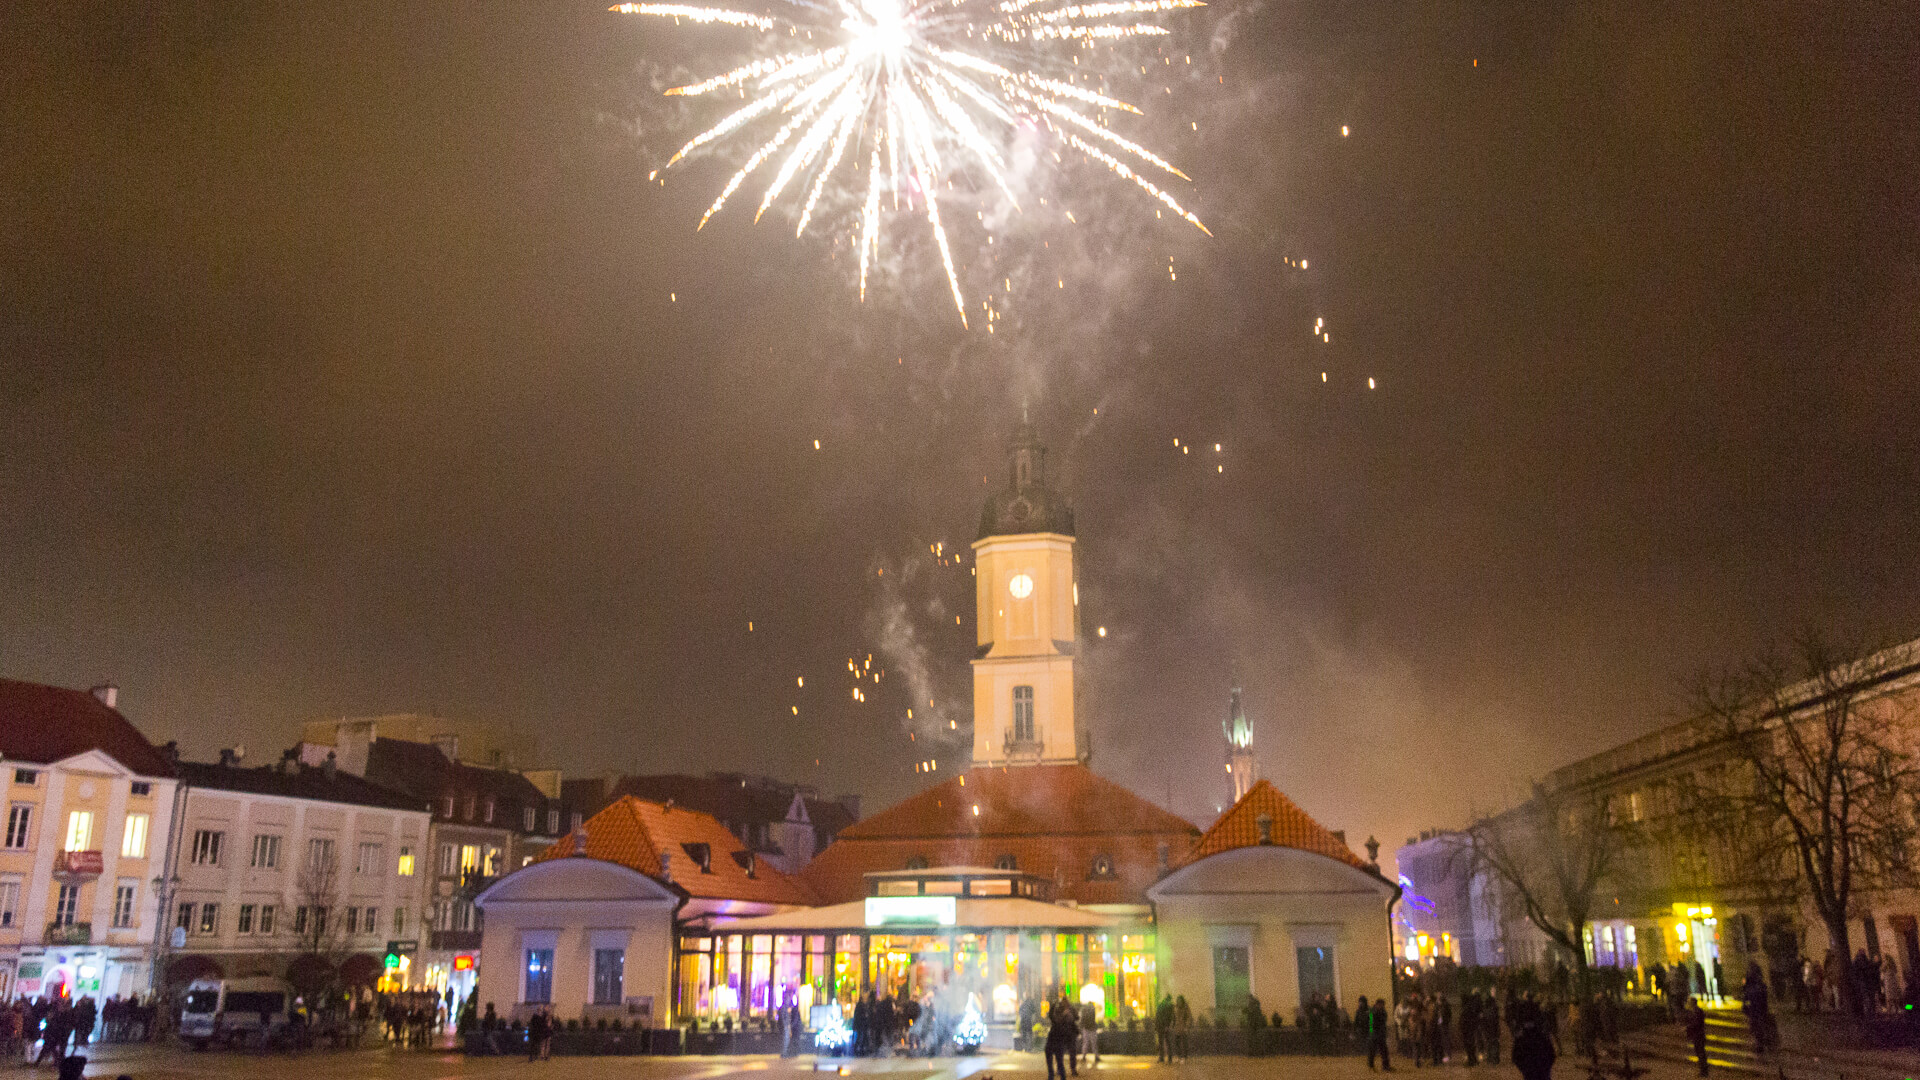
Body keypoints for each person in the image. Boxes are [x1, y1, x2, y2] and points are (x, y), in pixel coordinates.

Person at [1740, 962, 1776, 1056]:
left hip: (1755, 1011)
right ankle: (1764, 1045)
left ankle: (1761, 1045)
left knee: (1758, 1029)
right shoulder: (1760, 986)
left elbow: (1745, 1001)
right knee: (1761, 1028)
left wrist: (1748, 1010)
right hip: (1759, 1010)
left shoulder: (1752, 987)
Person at [1045, 992, 1078, 1080]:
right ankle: (1057, 1074)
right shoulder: (1060, 1013)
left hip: (1066, 1036)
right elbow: (1052, 1016)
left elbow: (1053, 1017)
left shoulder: (1069, 1011)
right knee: (1059, 1057)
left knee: (1068, 1054)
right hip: (1061, 1037)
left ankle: (1070, 1070)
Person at [1366, 996, 1393, 1071]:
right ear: (1377, 1004)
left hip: (1381, 1034)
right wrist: (1371, 1033)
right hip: (1374, 1033)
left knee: (1384, 1051)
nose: (1382, 1006)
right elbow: (1370, 1023)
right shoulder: (1372, 1012)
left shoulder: (1383, 1012)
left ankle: (1386, 1066)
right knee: (1372, 1051)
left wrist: (1384, 1032)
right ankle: (1371, 1065)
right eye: (1381, 1005)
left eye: (1383, 1005)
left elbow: (1384, 1022)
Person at [1683, 997, 1708, 1077]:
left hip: (1699, 1035)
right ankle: (1703, 1070)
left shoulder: (1697, 1012)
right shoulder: (1693, 1011)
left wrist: (1687, 1027)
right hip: (1696, 1035)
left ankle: (1704, 1071)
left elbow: (1696, 1024)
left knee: (1701, 1053)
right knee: (1699, 1053)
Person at [1461, 991, 1481, 1066]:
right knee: (1471, 1045)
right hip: (1470, 1029)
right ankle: (1473, 1060)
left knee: (1469, 1046)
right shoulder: (1470, 1007)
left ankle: (1471, 1060)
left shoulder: (1466, 1008)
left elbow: (1465, 1020)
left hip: (1467, 1030)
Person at [1078, 997, 1099, 1065]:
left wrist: (1081, 1026)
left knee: (1086, 1043)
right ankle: (1095, 1056)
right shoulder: (1092, 1010)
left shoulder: (1085, 1010)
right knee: (1093, 1043)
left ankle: (1085, 1056)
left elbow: (1082, 1019)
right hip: (1091, 1028)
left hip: (1087, 1028)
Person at [1154, 994, 1174, 1063]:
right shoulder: (1169, 1006)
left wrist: (1156, 1026)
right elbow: (1170, 1017)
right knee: (1167, 1042)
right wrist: (1167, 1026)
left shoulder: (1161, 1005)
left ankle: (1162, 1057)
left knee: (1162, 1042)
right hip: (1163, 1026)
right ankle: (1168, 1058)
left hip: (1161, 1026)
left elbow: (1158, 1016)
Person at [1173, 995, 1193, 1062]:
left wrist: (1187, 1026)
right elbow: (1174, 1017)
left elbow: (1189, 1017)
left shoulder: (1185, 1007)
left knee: (1184, 1043)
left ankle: (1184, 1057)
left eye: (1180, 1001)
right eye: (1178, 1001)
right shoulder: (1176, 1007)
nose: (1179, 1002)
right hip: (1177, 1027)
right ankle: (1178, 1056)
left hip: (1183, 1028)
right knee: (1177, 1043)